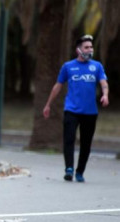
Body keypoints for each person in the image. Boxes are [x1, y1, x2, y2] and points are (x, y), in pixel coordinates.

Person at [43, 34, 109, 183]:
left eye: (91, 47)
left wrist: (105, 95)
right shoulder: (68, 66)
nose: (89, 50)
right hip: (71, 110)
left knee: (86, 143)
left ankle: (80, 172)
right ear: (78, 50)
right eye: (86, 47)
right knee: (69, 139)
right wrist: (48, 104)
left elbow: (104, 83)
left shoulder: (97, 66)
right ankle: (69, 169)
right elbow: (57, 86)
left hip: (90, 112)